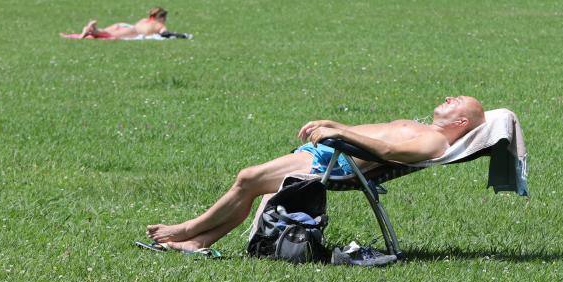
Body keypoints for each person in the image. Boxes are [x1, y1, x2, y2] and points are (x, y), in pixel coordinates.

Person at [146, 95, 486, 252]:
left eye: (456, 101)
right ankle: (199, 242)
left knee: (247, 178)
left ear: (460, 123)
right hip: (332, 151)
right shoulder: (426, 129)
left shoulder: (432, 140)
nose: (448, 97)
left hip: (336, 162)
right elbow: (380, 137)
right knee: (251, 185)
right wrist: (337, 126)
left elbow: (387, 152)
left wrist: (339, 133)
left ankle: (186, 229)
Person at [66, 7, 169, 39]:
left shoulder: (144, 20)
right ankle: (92, 30)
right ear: (161, 18)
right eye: (164, 18)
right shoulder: (159, 25)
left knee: (105, 32)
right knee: (109, 35)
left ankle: (91, 31)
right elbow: (165, 33)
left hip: (123, 25)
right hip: (132, 31)